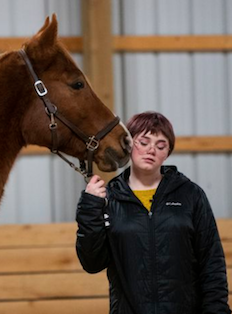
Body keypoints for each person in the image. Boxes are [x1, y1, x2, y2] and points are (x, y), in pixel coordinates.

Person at [76, 111, 231, 314]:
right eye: (144, 142)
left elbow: (212, 263)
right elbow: (92, 263)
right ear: (129, 144)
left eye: (160, 146)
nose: (151, 150)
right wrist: (90, 207)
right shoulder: (109, 198)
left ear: (167, 153)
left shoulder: (191, 194)